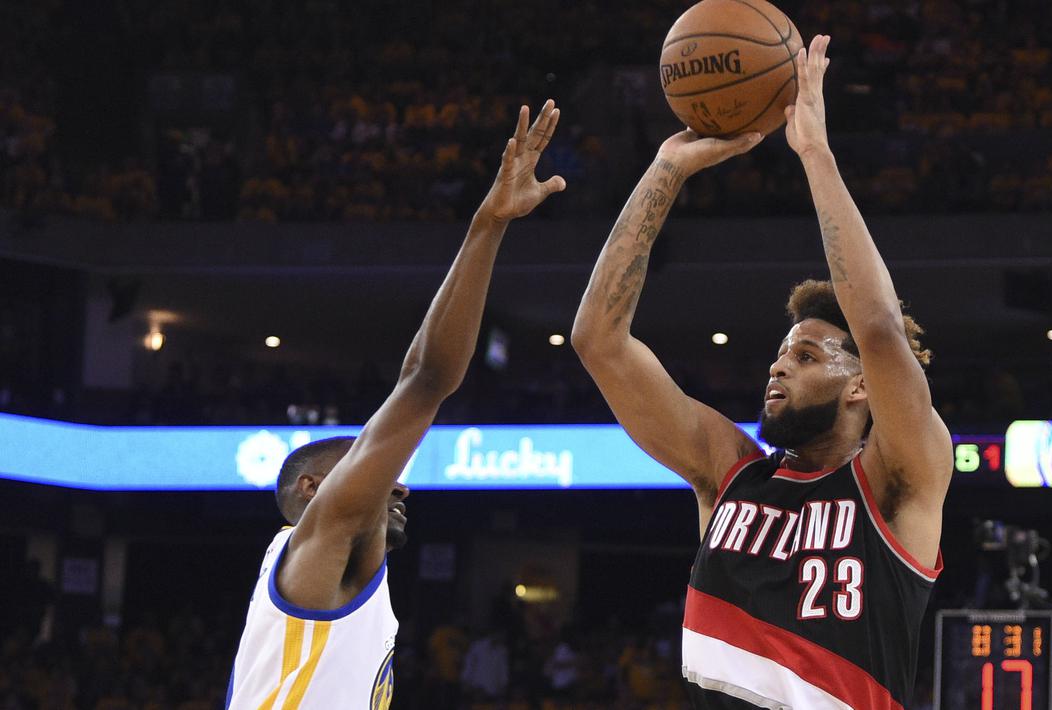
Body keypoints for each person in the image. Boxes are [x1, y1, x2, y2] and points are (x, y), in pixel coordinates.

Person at [572, 36, 951, 709]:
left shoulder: (898, 480)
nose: (777, 366)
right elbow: (598, 340)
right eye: (779, 354)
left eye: (805, 356)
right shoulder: (730, 471)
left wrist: (815, 155)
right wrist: (665, 171)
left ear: (859, 384)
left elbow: (878, 330)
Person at [226, 100, 566, 710]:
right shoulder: (313, 546)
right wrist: (489, 223)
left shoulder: (340, 585)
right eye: (375, 473)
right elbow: (426, 378)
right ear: (313, 490)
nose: (400, 487)